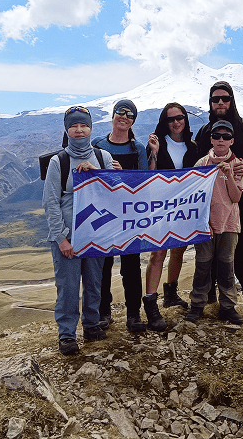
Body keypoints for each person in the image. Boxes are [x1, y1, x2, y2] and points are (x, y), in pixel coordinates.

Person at [195, 81, 243, 321]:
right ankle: (211, 302)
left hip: (240, 201)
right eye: (215, 99)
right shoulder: (205, 131)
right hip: (210, 206)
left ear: (232, 100)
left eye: (225, 98)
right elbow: (194, 163)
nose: (220, 103)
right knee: (209, 256)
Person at [43, 106, 115, 355]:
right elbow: (50, 202)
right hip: (68, 235)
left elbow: (117, 191)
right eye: (74, 125)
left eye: (83, 125)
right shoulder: (58, 161)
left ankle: (92, 325)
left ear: (91, 128)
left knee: (95, 283)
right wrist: (62, 238)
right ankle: (67, 335)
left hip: (96, 232)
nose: (79, 130)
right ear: (67, 130)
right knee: (69, 287)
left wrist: (97, 173)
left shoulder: (103, 158)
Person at [93, 99, 168, 333]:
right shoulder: (97, 145)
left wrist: (125, 172)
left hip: (128, 216)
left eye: (130, 114)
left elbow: (145, 182)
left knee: (131, 266)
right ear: (112, 115)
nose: (124, 117)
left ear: (133, 120)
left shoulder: (137, 149)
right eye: (120, 112)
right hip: (104, 214)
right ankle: (103, 312)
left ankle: (133, 314)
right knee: (103, 266)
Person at [185, 120, 243, 325]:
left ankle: (228, 306)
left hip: (229, 222)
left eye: (226, 137)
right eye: (217, 136)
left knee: (226, 265)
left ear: (232, 141)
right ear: (211, 139)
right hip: (205, 224)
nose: (221, 140)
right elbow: (194, 195)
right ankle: (197, 305)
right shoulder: (201, 164)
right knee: (203, 263)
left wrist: (228, 174)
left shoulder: (238, 164)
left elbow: (236, 198)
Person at [144, 103, 201, 309]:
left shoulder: (193, 147)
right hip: (160, 207)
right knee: (158, 253)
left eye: (180, 117)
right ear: (164, 122)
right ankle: (150, 301)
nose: (176, 122)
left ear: (185, 119)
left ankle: (171, 294)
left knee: (178, 249)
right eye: (171, 119)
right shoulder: (156, 144)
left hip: (184, 207)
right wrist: (154, 153)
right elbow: (148, 175)